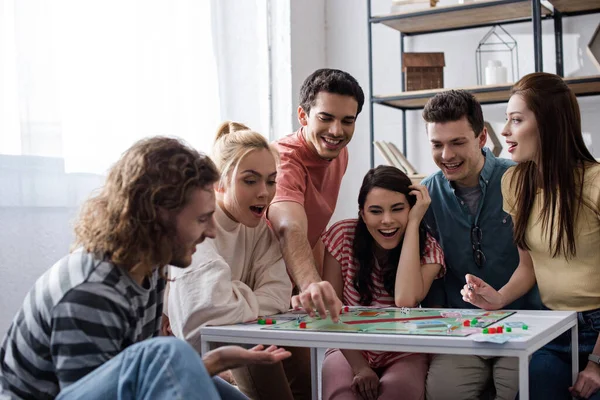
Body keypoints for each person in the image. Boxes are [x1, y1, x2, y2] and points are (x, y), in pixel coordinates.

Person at [0, 136, 291, 400]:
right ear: (159, 217)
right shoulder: (90, 292)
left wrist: (215, 363)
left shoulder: (151, 272)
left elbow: (132, 382)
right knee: (170, 353)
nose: (212, 232)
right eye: (202, 220)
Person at [461, 72, 600, 400]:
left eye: (516, 120)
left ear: (549, 124)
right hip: (554, 326)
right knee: (536, 384)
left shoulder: (595, 183)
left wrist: (596, 363)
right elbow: (529, 267)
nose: (505, 131)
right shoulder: (515, 183)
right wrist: (498, 297)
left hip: (597, 331)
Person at [166, 122, 307, 399]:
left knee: (299, 365)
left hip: (229, 339)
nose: (264, 192)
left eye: (270, 180)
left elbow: (279, 295)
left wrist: (233, 292)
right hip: (177, 353)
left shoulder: (258, 230)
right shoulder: (199, 225)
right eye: (250, 180)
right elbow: (200, 317)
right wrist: (248, 294)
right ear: (219, 182)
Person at [420, 89, 540, 400]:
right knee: (442, 391)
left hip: (525, 322)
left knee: (519, 389)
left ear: (482, 137)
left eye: (457, 142)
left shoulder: (521, 180)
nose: (446, 155)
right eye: (437, 144)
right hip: (461, 330)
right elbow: (430, 277)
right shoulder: (426, 196)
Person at [320, 165, 445, 400]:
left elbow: (405, 299)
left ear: (411, 209)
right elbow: (330, 312)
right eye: (376, 211)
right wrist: (360, 367)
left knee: (396, 394)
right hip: (348, 346)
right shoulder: (341, 236)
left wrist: (414, 224)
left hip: (404, 349)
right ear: (362, 213)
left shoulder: (429, 249)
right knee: (341, 396)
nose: (387, 221)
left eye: (398, 209)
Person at [267, 68, 365, 322]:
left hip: (294, 280)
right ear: (303, 115)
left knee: (308, 362)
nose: (336, 131)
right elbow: (289, 226)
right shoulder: (285, 160)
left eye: (347, 121)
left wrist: (319, 284)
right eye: (325, 118)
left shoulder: (338, 153)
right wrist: (311, 284)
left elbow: (314, 229)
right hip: (261, 282)